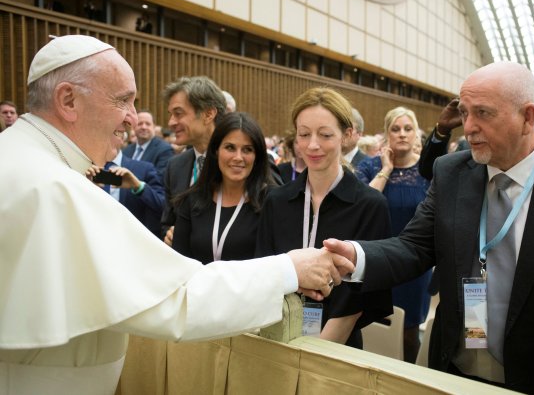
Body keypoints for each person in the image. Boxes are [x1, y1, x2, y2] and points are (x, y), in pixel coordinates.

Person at [0, 35, 352, 394]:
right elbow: (178, 299)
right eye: (123, 100)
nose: (133, 119)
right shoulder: (55, 188)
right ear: (68, 100)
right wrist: (289, 269)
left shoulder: (21, 160)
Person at [325, 61, 534, 393]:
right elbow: (413, 246)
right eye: (464, 113)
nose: (468, 127)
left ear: (528, 117)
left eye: (483, 114)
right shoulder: (451, 173)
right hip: (456, 373)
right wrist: (356, 256)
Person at [256, 87, 392, 348]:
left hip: (336, 345)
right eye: (304, 134)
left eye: (325, 134)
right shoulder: (277, 201)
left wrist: (317, 352)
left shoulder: (369, 205)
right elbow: (265, 268)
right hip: (278, 336)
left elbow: (360, 295)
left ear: (347, 135)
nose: (313, 145)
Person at [356, 106, 431, 363]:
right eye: (396, 129)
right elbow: (364, 205)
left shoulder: (428, 171)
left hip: (414, 264)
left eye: (408, 129)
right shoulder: (370, 166)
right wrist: (386, 169)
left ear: (416, 134)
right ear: (387, 134)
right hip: (378, 261)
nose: (402, 134)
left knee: (409, 332)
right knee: (372, 325)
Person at [173, 112, 273, 262]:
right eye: (230, 148)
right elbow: (179, 263)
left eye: (247, 150)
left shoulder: (272, 202)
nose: (238, 157)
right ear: (216, 151)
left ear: (257, 156)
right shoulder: (191, 200)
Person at [161, 76, 227, 245]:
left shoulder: (241, 162)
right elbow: (167, 221)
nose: (171, 122)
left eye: (178, 113)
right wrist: (169, 235)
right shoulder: (175, 166)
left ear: (208, 114)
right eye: (171, 115)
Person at [87, 138, 166, 238]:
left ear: (122, 137)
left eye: (115, 132)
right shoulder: (86, 169)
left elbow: (162, 206)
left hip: (134, 240)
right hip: (95, 238)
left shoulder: (144, 168)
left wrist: (138, 186)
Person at [122, 110, 174, 178]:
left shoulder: (164, 150)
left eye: (148, 124)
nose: (144, 127)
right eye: (140, 123)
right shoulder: (126, 150)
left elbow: (159, 179)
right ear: (134, 127)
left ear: (154, 127)